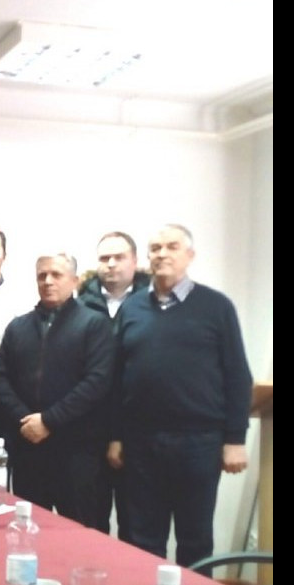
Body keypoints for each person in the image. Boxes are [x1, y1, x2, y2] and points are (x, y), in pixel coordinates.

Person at [107, 224, 252, 567]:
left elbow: (237, 376)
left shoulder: (216, 307)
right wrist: (115, 436)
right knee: (142, 539)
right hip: (141, 442)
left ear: (190, 255)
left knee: (195, 538)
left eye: (172, 246)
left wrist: (235, 440)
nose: (162, 254)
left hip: (199, 443)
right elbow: (116, 379)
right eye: (155, 248)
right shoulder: (132, 308)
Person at [0, 253, 114, 527]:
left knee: (82, 534)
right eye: (42, 276)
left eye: (56, 275)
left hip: (77, 452)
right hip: (29, 449)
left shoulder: (94, 324)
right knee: (29, 532)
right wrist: (24, 419)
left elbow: (97, 382)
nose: (47, 281)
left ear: (75, 281)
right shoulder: (18, 327)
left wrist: (48, 420)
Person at [75, 230, 150, 540]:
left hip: (138, 430)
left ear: (135, 261)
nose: (111, 264)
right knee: (91, 524)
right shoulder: (79, 306)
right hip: (90, 430)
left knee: (138, 525)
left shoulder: (153, 304)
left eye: (119, 257)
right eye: (105, 258)